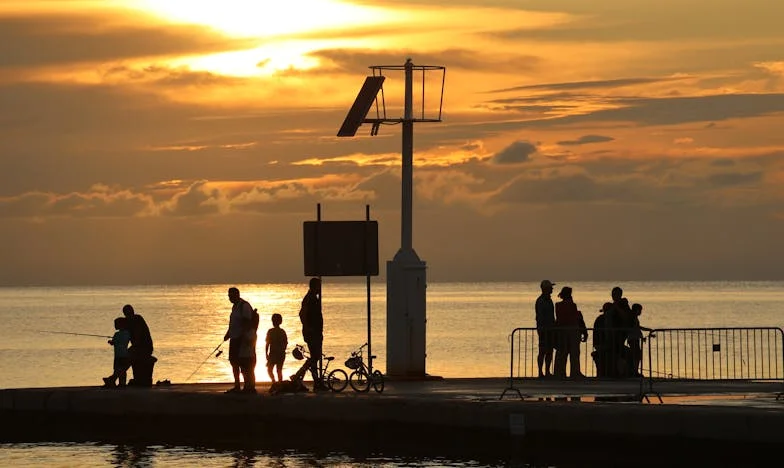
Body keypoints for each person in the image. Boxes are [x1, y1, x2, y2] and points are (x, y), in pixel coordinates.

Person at [223, 287, 258, 393]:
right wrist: (228, 334)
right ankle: (237, 385)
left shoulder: (244, 306)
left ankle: (249, 386)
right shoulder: (235, 307)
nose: (230, 297)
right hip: (234, 338)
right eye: (229, 295)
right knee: (234, 362)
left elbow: (247, 323)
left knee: (245, 363)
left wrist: (244, 338)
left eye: (231, 295)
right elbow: (234, 323)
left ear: (237, 295)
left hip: (243, 339)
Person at [299, 277, 327, 390]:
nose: (320, 288)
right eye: (318, 286)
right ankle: (302, 374)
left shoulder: (314, 298)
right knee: (315, 356)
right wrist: (307, 327)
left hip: (316, 332)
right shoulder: (309, 298)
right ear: (314, 286)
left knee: (316, 356)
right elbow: (302, 314)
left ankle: (316, 381)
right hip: (312, 333)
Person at [553, 286, 586, 379]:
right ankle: (574, 373)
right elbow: (574, 317)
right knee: (574, 354)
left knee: (562, 354)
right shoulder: (571, 305)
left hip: (562, 332)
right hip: (572, 331)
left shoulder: (558, 305)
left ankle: (559, 373)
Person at [122, 304, 156, 386]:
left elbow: (137, 337)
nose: (127, 316)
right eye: (126, 314)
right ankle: (116, 377)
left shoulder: (137, 319)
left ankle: (114, 377)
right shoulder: (129, 322)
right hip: (137, 348)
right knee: (126, 356)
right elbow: (126, 337)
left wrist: (131, 349)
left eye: (129, 313)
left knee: (128, 356)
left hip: (145, 348)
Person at [535, 279, 556, 378]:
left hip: (550, 330)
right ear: (546, 289)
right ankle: (540, 372)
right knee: (542, 351)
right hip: (544, 330)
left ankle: (547, 371)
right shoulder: (541, 301)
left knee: (549, 351)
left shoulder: (549, 300)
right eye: (550, 287)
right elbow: (540, 316)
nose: (552, 289)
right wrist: (543, 328)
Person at [102, 317, 131, 388]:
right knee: (123, 370)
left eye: (115, 324)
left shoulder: (116, 334)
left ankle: (111, 381)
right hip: (125, 354)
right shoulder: (128, 333)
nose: (114, 325)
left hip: (118, 355)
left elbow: (113, 343)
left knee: (117, 369)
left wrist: (110, 341)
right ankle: (122, 383)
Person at [627, 303, 652, 377]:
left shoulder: (634, 317)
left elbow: (638, 328)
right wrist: (642, 335)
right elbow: (636, 329)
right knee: (636, 356)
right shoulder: (632, 318)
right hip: (633, 339)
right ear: (637, 310)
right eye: (640, 310)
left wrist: (648, 330)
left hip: (634, 338)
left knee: (637, 355)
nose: (641, 312)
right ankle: (634, 372)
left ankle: (635, 371)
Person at [265, 313, 288, 383]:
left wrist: (266, 354)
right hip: (280, 353)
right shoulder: (282, 331)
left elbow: (267, 344)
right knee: (279, 370)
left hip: (274, 353)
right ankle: (278, 383)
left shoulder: (270, 331)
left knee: (270, 370)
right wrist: (282, 350)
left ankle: (274, 382)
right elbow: (285, 343)